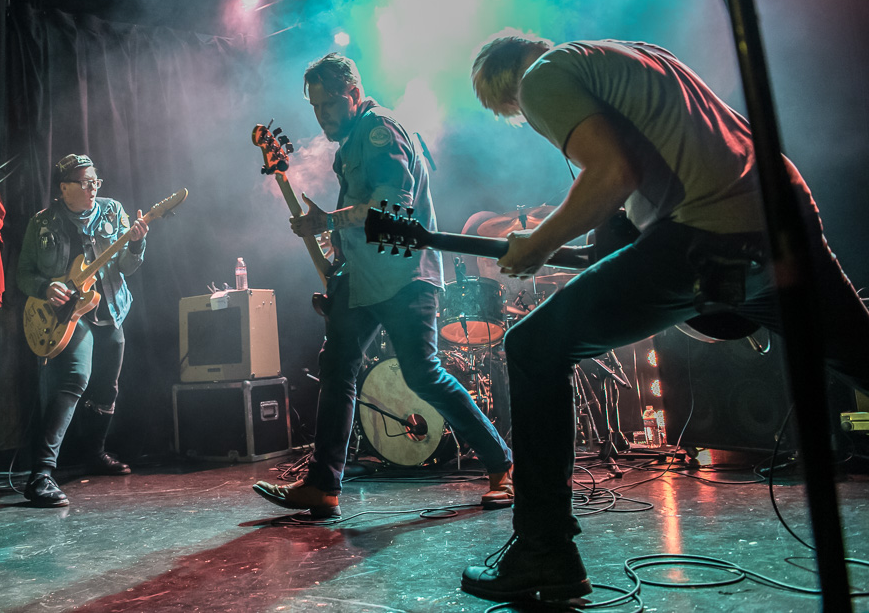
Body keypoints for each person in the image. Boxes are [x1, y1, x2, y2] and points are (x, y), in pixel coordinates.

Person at [462, 31, 869, 603]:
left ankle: (544, 552)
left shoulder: (542, 78)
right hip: (783, 213)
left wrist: (539, 242)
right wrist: (592, 247)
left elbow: (611, 173)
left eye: (518, 115)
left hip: (712, 231)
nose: (530, 121)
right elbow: (638, 199)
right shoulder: (632, 56)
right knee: (862, 354)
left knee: (533, 347)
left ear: (509, 87)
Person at [252, 53, 513, 517]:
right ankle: (323, 486)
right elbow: (358, 222)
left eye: (328, 104)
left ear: (353, 94)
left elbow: (392, 205)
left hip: (404, 276)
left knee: (422, 374)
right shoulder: (354, 141)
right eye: (314, 107)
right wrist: (333, 249)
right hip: (364, 278)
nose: (321, 115)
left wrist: (327, 220)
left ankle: (503, 467)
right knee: (337, 369)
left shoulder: (379, 131)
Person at [16, 153, 149, 507]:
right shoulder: (42, 223)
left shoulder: (112, 210)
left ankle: (94, 453)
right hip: (69, 316)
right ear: (64, 188)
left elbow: (126, 266)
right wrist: (45, 288)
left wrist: (135, 242)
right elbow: (23, 274)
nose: (93, 188)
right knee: (76, 377)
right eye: (85, 183)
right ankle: (41, 474)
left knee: (107, 387)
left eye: (96, 182)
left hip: (109, 307)